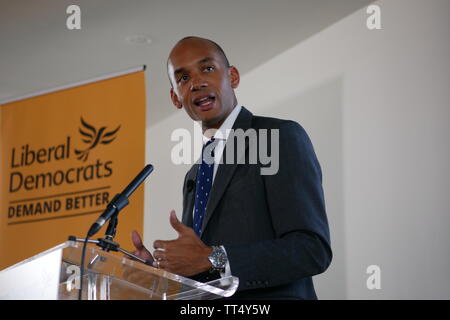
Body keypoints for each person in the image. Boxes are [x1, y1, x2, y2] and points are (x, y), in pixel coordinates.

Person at [130, 36, 332, 299]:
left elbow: (311, 250)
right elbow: (202, 271)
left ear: (233, 77)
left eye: (208, 69)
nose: (197, 83)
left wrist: (214, 258)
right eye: (183, 78)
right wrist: (159, 274)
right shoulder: (195, 174)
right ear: (175, 98)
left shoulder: (278, 137)